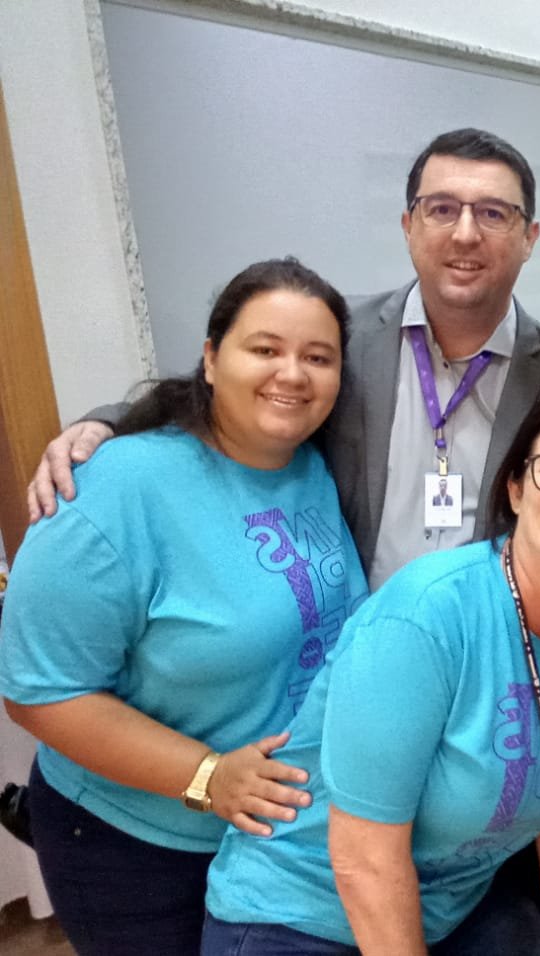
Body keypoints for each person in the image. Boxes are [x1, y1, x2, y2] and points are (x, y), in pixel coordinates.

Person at [26, 127, 540, 589]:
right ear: (408, 226)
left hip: (490, 646)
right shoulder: (338, 338)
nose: (465, 234)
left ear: (530, 237)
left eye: (493, 214)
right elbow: (227, 396)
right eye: (441, 209)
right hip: (348, 640)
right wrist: (106, 424)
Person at [200, 383, 540, 955]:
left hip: (449, 912)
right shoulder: (425, 616)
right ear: (515, 489)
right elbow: (364, 859)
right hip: (304, 912)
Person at [0, 258, 369, 955]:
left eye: (318, 358)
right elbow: (38, 693)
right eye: (265, 349)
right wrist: (207, 777)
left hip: (272, 841)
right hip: (136, 848)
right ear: (210, 358)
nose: (293, 373)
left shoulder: (311, 467)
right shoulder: (114, 490)